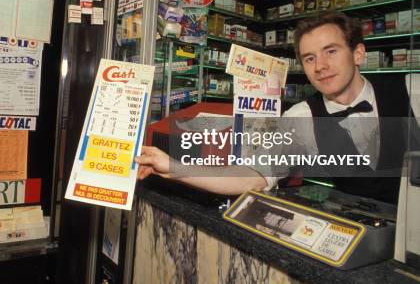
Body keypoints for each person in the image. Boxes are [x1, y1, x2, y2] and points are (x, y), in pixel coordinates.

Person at [136, 13, 414, 202]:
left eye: (331, 51)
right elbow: (251, 177)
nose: (320, 66)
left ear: (358, 53)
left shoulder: (412, 91)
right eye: (309, 58)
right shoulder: (299, 117)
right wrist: (174, 167)